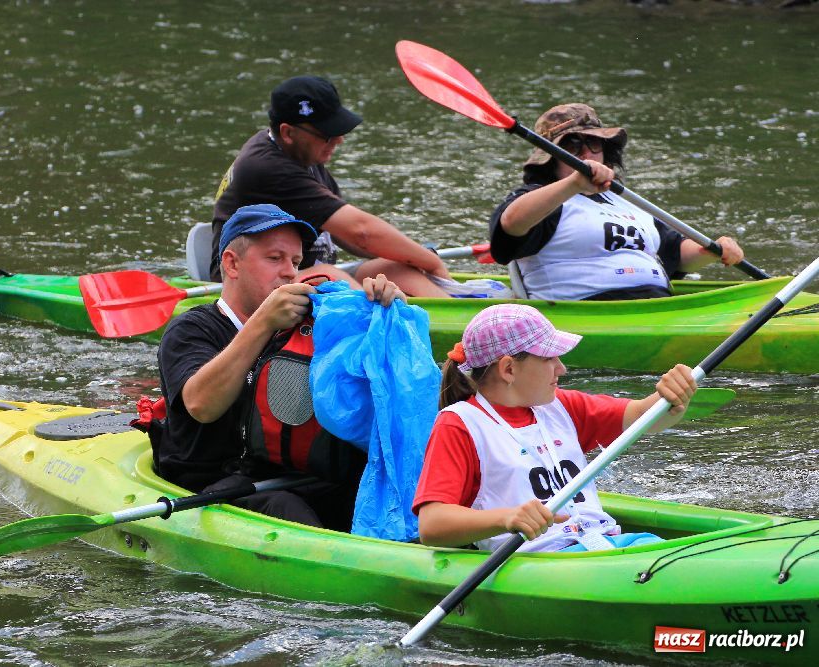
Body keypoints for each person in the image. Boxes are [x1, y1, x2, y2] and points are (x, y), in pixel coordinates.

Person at [156, 203, 405, 531]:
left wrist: (383, 315)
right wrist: (263, 322)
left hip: (292, 479)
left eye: (296, 262)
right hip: (210, 487)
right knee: (284, 507)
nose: (290, 272)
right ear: (231, 264)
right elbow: (201, 405)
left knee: (377, 495)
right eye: (275, 259)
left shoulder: (309, 328)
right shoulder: (191, 329)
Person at [412, 304, 697, 552]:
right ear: (508, 369)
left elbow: (644, 418)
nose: (561, 369)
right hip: (538, 559)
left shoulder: (560, 405)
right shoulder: (459, 424)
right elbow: (432, 525)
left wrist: (669, 398)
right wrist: (506, 518)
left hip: (606, 544)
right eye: (549, 359)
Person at [210, 74, 451, 297]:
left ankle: (458, 309)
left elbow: (349, 235)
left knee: (391, 268)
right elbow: (361, 232)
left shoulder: (303, 154)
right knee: (330, 274)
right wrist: (431, 262)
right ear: (288, 133)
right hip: (241, 282)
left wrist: (414, 257)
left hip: (299, 272)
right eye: (327, 133)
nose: (339, 140)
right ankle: (391, 322)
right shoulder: (268, 169)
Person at [489, 103, 745, 301]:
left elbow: (675, 254)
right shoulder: (542, 198)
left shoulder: (626, 202)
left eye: (593, 143)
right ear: (550, 158)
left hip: (655, 306)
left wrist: (712, 250)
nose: (587, 154)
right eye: (573, 146)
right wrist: (574, 184)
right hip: (583, 311)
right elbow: (510, 224)